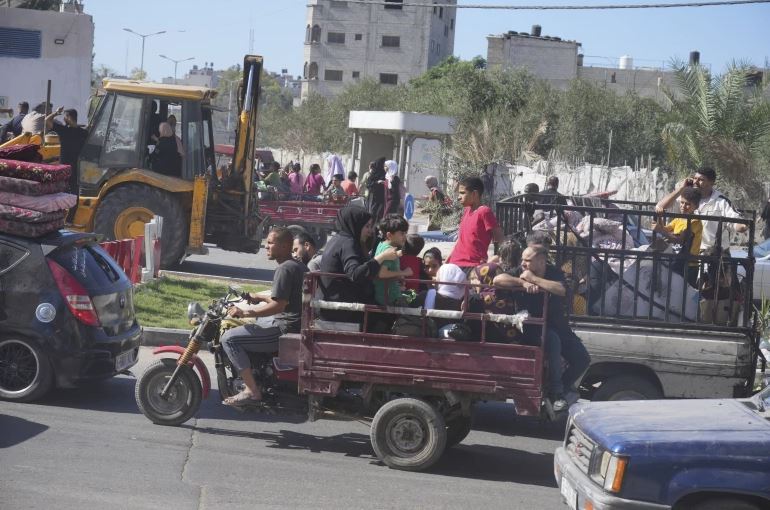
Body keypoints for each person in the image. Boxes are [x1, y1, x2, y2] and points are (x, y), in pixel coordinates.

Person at [493, 244, 590, 412]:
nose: (523, 263)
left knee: (582, 358)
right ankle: (556, 394)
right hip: (531, 328)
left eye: (528, 260)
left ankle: (563, 388)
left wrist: (535, 279)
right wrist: (522, 283)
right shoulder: (520, 271)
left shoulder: (554, 273)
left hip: (558, 326)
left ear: (541, 261)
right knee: (552, 340)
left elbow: (563, 290)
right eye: (522, 259)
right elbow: (498, 280)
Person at [220, 227, 307, 406]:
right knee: (256, 322)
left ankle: (252, 390)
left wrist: (245, 312)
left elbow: (279, 305)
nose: (266, 246)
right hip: (293, 323)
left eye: (270, 243)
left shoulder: (285, 269)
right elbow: (286, 300)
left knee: (229, 339)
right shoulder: (296, 265)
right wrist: (259, 297)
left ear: (283, 246)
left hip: (284, 328)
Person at [318, 207, 399, 322]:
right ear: (355, 224)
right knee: (390, 316)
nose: (370, 231)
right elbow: (355, 274)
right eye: (367, 226)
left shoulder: (338, 239)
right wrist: (382, 257)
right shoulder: (348, 243)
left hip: (334, 303)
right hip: (344, 308)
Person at [655, 167, 747, 254]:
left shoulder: (721, 201)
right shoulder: (688, 197)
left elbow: (736, 221)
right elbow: (660, 206)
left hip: (712, 254)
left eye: (701, 180)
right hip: (688, 252)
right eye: (694, 178)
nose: (696, 182)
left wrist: (740, 226)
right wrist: (681, 189)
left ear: (711, 182)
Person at [446, 176, 505, 273]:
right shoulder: (466, 211)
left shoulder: (484, 211)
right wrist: (448, 260)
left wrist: (500, 258)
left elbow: (500, 238)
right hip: (454, 265)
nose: (459, 197)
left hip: (472, 267)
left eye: (462, 193)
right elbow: (461, 240)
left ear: (474, 194)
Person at [651, 186, 703, 287]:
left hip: (689, 265)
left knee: (683, 293)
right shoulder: (679, 219)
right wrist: (660, 217)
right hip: (678, 261)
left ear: (696, 206)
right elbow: (666, 230)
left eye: (688, 204)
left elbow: (680, 240)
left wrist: (660, 230)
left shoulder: (695, 222)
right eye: (682, 203)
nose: (683, 206)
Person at [45, 107, 88, 197]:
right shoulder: (84, 133)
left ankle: (65, 209)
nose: (63, 119)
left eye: (65, 117)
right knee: (75, 192)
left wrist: (56, 113)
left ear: (68, 117)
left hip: (64, 166)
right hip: (77, 167)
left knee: (63, 192)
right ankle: (73, 210)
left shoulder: (63, 130)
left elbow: (47, 120)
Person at [373, 214, 413, 305]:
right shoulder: (389, 251)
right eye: (402, 233)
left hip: (388, 296)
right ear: (389, 235)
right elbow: (382, 273)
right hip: (391, 299)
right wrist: (404, 272)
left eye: (405, 233)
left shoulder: (382, 244)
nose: (405, 236)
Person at [366, 157, 387, 223]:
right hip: (373, 197)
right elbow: (369, 184)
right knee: (372, 213)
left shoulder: (385, 173)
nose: (384, 166)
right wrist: (377, 182)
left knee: (380, 214)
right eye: (383, 164)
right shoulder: (374, 173)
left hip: (381, 197)